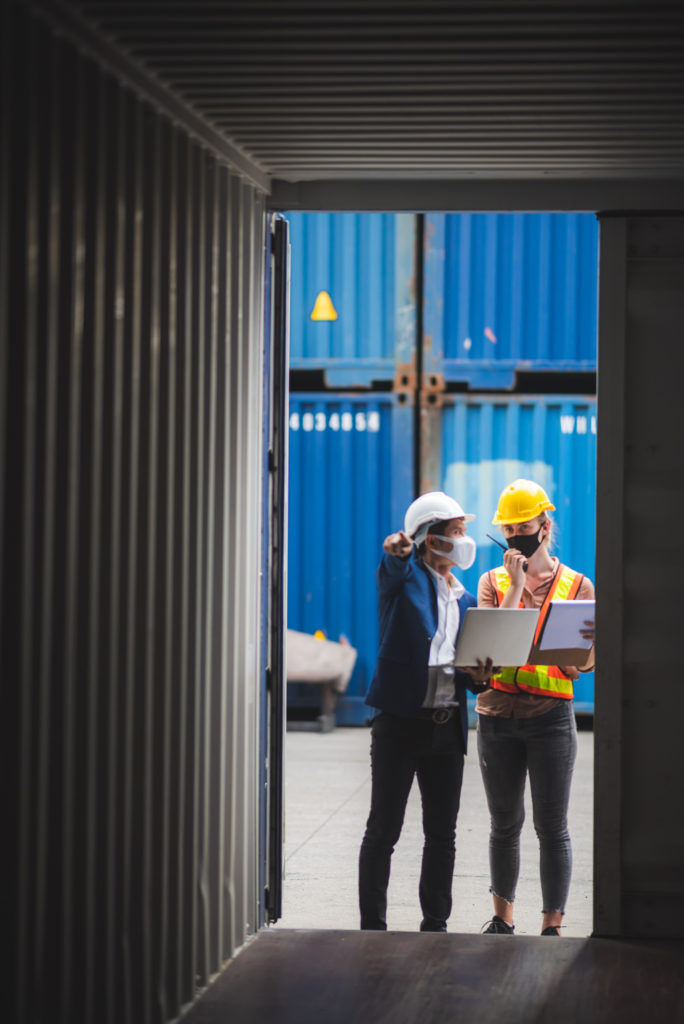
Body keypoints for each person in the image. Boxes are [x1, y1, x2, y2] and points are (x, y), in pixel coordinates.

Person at [359, 491, 492, 932]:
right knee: (384, 831)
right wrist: (396, 552)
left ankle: (435, 923)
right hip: (399, 724)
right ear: (431, 540)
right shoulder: (403, 580)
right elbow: (391, 566)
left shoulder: (466, 599)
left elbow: (468, 673)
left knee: (442, 835)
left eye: (464, 531)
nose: (464, 540)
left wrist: (482, 674)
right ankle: (372, 928)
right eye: (456, 532)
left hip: (446, 727)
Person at [476, 479, 595, 937]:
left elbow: (585, 660)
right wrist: (517, 585)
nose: (513, 537)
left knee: (552, 826)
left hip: (550, 720)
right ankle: (502, 919)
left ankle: (552, 925)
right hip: (497, 716)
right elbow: (491, 646)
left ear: (545, 526)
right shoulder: (492, 582)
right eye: (506, 530)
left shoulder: (578, 584)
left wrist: (567, 654)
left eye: (522, 526)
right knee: (504, 823)